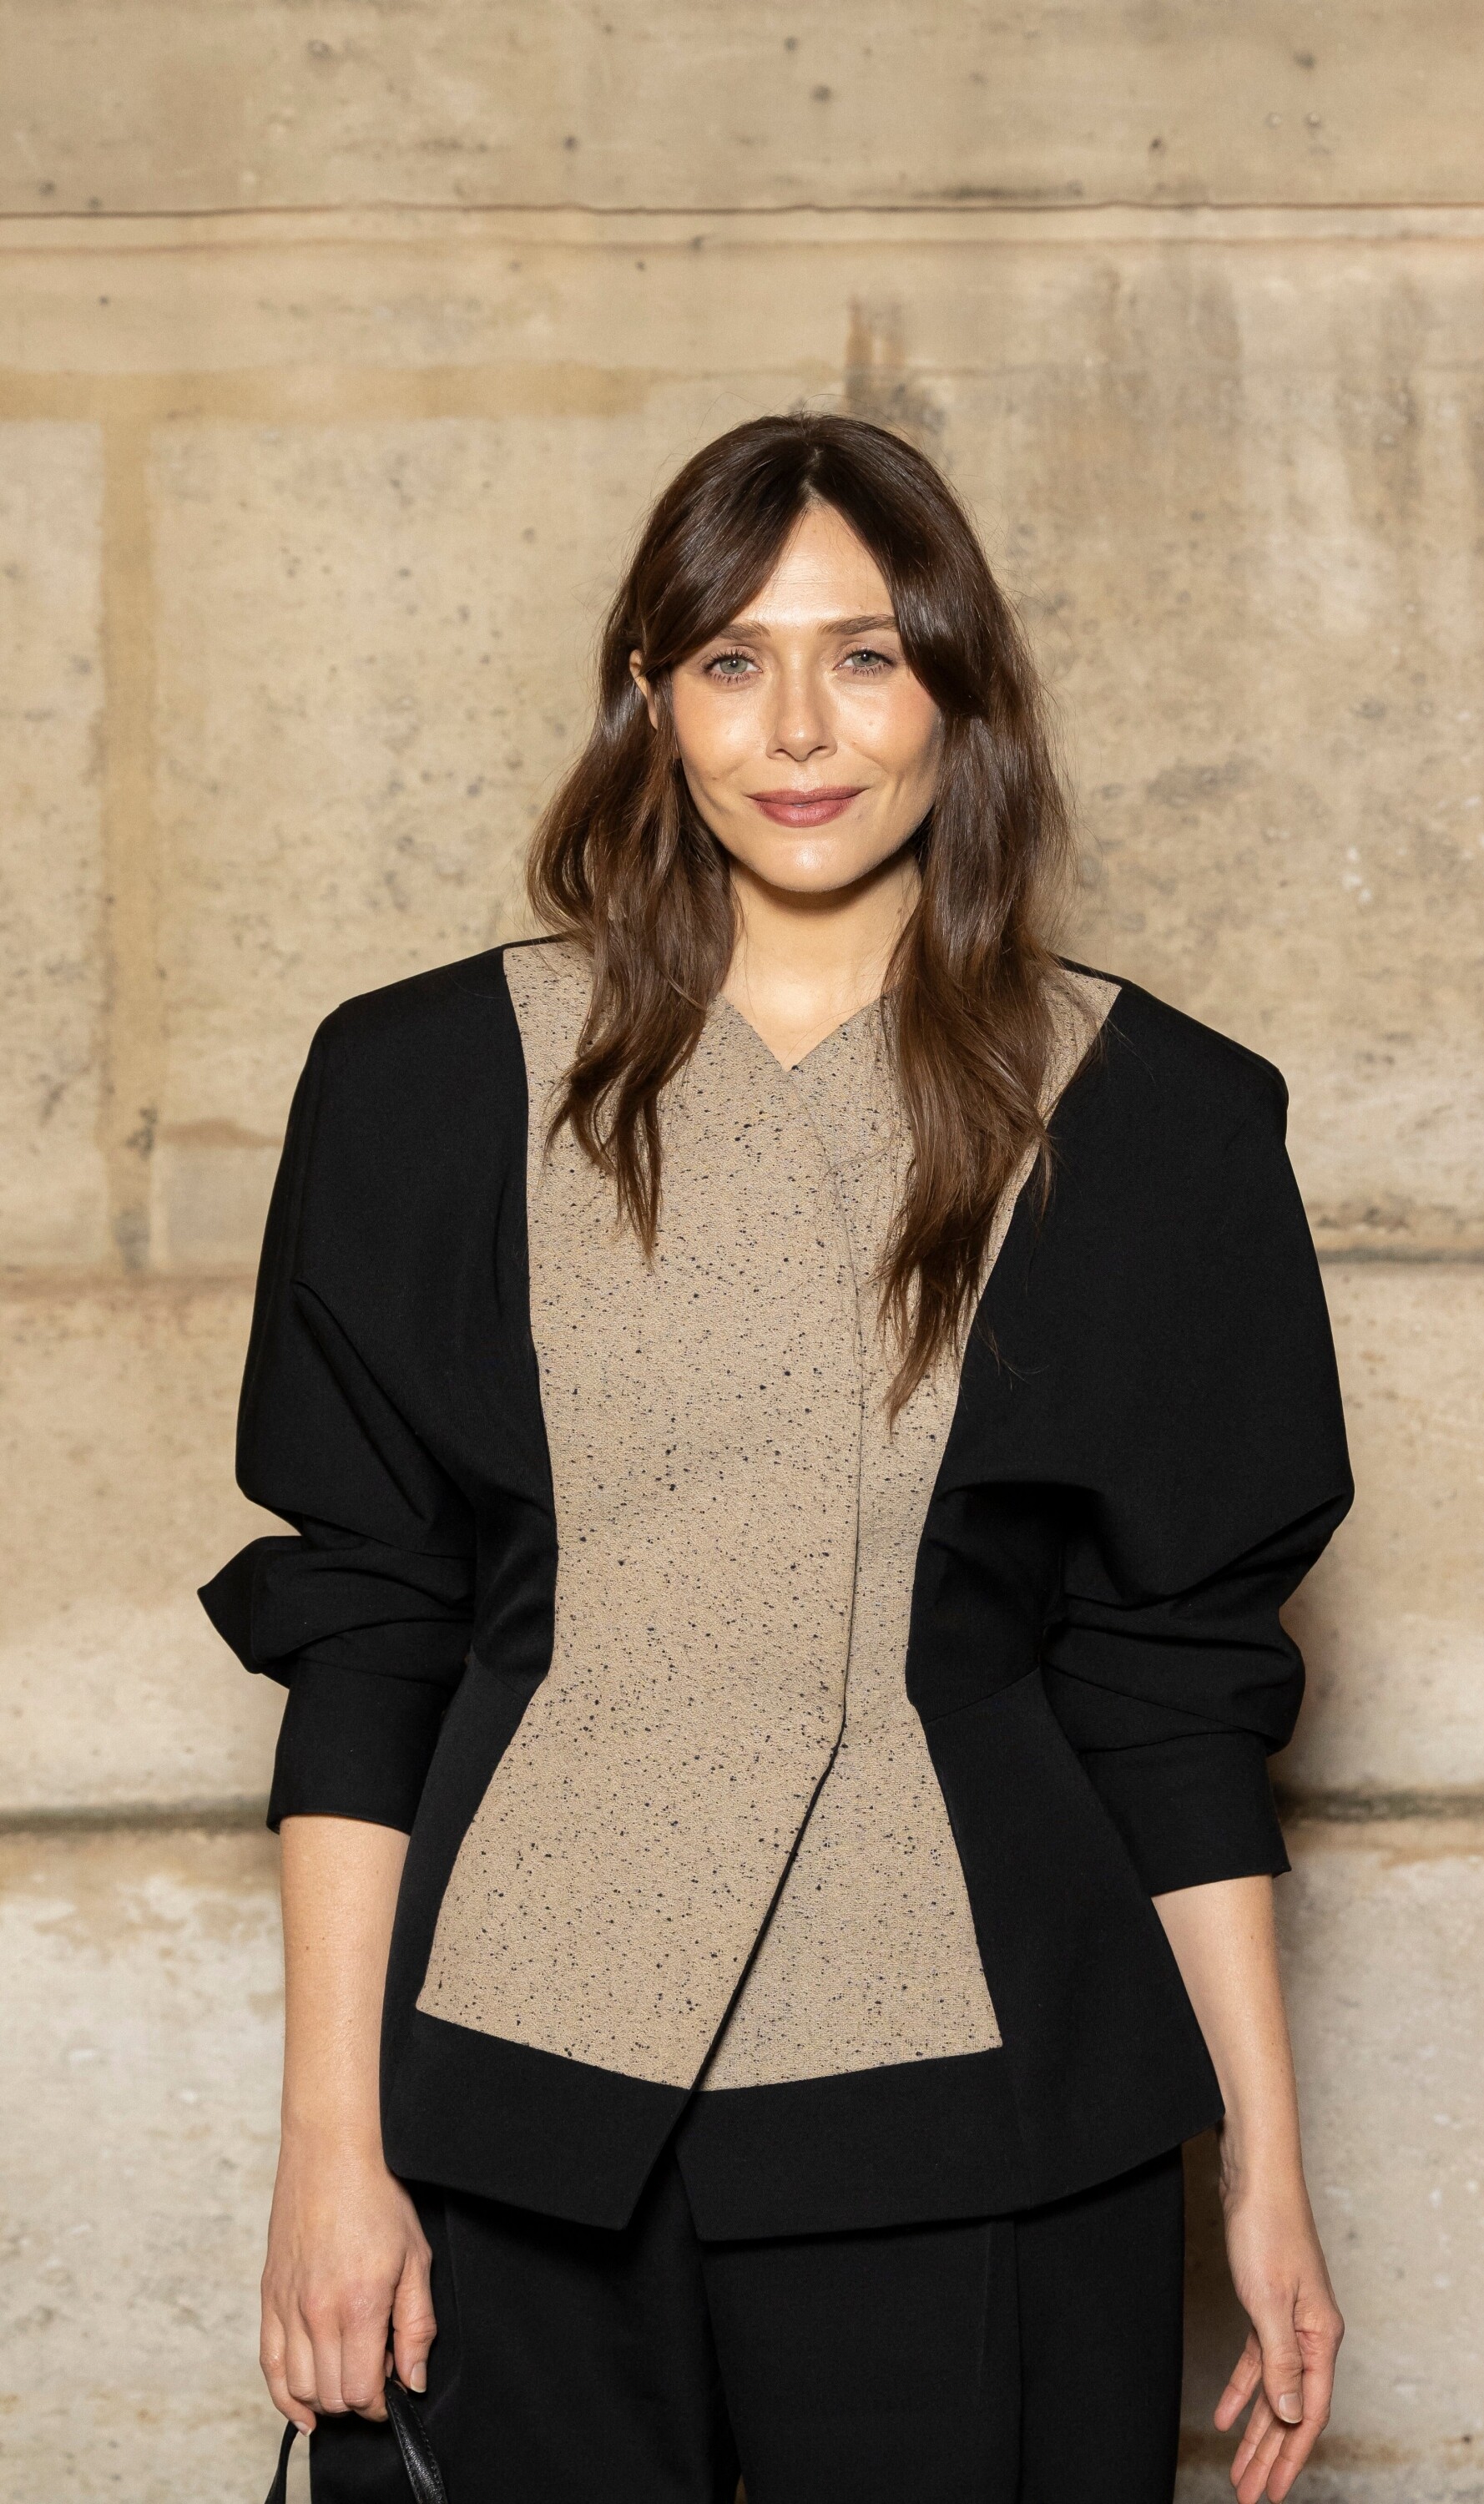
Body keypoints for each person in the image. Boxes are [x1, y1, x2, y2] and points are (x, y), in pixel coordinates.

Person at [202, 411, 1353, 2504]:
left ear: (958, 696)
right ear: (648, 700)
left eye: (866, 656)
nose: (798, 730)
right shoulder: (422, 1085)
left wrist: (1264, 2171)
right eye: (732, 661)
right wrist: (331, 2149)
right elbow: (368, 1631)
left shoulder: (1160, 1119)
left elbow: (1175, 1687)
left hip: (983, 2107)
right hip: (515, 2103)